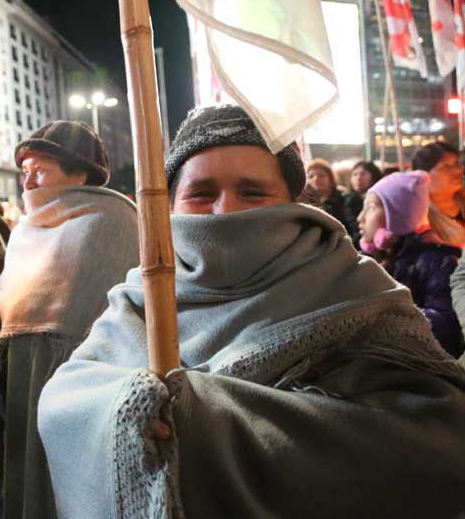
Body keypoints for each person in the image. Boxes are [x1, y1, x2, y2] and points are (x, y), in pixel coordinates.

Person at [37, 105, 465, 519]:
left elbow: (435, 441)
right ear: (169, 207)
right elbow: (65, 400)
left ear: (293, 202)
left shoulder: (356, 290)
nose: (226, 210)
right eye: (201, 194)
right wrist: (129, 406)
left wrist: (199, 413)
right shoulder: (139, 299)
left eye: (253, 192)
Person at [0, 120, 139, 519]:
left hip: (78, 378)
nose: (28, 182)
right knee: (24, 479)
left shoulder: (112, 219)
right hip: (21, 378)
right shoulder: (27, 229)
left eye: (41, 170)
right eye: (25, 172)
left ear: (80, 173)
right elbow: (12, 289)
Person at [358, 171, 463, 357]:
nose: (361, 217)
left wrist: (387, 309)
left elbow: (446, 322)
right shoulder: (374, 260)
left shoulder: (437, 261)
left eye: (371, 208)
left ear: (398, 216)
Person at [411, 141, 465, 247]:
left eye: (456, 164)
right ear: (424, 175)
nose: (458, 171)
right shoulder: (418, 217)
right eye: (445, 166)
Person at [343, 160, 382, 248]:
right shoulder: (346, 200)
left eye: (363, 174)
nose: (358, 177)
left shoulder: (381, 198)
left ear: (373, 176)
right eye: (355, 174)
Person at [305, 157, 348, 226]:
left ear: (331, 178)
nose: (315, 179)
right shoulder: (307, 201)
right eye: (311, 176)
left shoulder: (344, 197)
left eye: (321, 175)